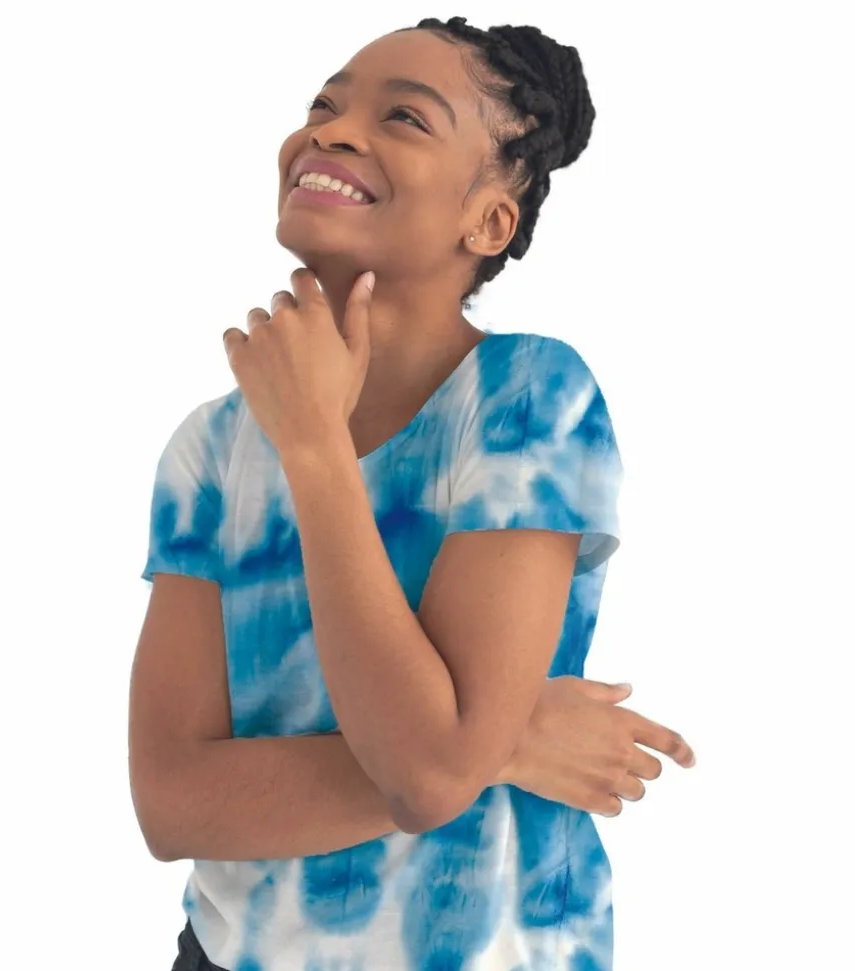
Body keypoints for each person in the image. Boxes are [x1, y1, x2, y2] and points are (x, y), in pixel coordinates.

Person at [128, 15, 695, 971]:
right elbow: (172, 803)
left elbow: (428, 774)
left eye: (404, 117)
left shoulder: (527, 397)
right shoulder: (212, 447)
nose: (333, 130)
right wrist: (507, 743)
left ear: (490, 221)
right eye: (324, 104)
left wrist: (315, 449)